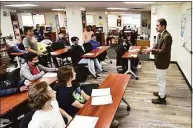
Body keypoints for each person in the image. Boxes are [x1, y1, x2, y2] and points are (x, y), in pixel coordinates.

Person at [142, 18, 172, 104]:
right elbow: (157, 45)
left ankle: (162, 98)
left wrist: (151, 50)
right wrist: (151, 48)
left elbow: (163, 51)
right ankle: (160, 93)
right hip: (159, 61)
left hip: (163, 61)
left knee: (161, 79)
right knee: (159, 78)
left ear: (163, 26)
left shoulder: (167, 37)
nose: (156, 27)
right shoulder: (160, 34)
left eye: (158, 25)